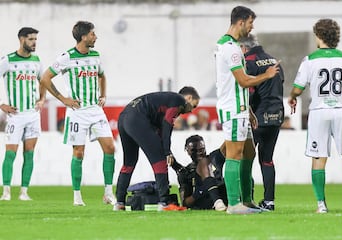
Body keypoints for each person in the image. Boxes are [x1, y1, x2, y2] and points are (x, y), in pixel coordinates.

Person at [40, 21, 116, 206]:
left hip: (95, 111)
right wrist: (62, 99)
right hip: (77, 112)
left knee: (110, 149)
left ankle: (108, 193)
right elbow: (44, 78)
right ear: (83, 37)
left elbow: (102, 75)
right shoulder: (67, 57)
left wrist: (103, 95)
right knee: (79, 153)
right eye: (92, 34)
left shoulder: (96, 55)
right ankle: (77, 195)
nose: (95, 37)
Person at [288, 18, 342, 213]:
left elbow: (298, 88)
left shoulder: (310, 60)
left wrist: (292, 97)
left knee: (319, 158)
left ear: (318, 36)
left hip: (319, 112)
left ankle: (321, 205)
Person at [214, 5, 280, 214]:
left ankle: (248, 201)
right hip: (232, 109)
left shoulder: (230, 45)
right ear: (241, 21)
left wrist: (249, 110)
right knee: (234, 154)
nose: (252, 27)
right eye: (251, 22)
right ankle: (234, 204)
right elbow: (242, 81)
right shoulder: (231, 49)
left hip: (241, 108)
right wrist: (267, 75)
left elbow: (237, 83)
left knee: (249, 152)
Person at [113, 86, 200, 211]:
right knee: (160, 160)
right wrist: (166, 151)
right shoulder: (179, 100)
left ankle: (119, 202)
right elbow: (167, 124)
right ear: (189, 98)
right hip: (136, 118)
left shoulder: (162, 102)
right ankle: (164, 203)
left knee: (129, 162)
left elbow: (159, 130)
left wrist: (166, 150)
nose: (191, 111)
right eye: (194, 106)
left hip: (123, 118)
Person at [239, 34, 285, 211]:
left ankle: (245, 198)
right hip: (277, 115)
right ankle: (269, 201)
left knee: (245, 158)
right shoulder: (274, 61)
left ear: (244, 48)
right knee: (267, 160)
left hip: (258, 116)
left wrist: (249, 112)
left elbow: (249, 90)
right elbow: (280, 84)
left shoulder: (249, 63)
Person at [0, 27, 46, 201]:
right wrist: (1, 104)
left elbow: (44, 81)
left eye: (35, 39)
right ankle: (6, 192)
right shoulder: (8, 60)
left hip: (33, 115)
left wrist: (42, 99)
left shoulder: (36, 60)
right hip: (15, 116)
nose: (34, 43)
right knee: (10, 153)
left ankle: (24, 192)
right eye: (31, 39)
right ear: (21, 39)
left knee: (29, 153)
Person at [170, 135, 227, 210]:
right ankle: (218, 203)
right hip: (204, 202)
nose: (199, 153)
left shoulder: (214, 158)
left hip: (223, 195)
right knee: (204, 162)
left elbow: (229, 145)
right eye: (194, 150)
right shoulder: (186, 173)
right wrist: (199, 193)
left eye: (202, 150)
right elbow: (185, 203)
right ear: (187, 151)